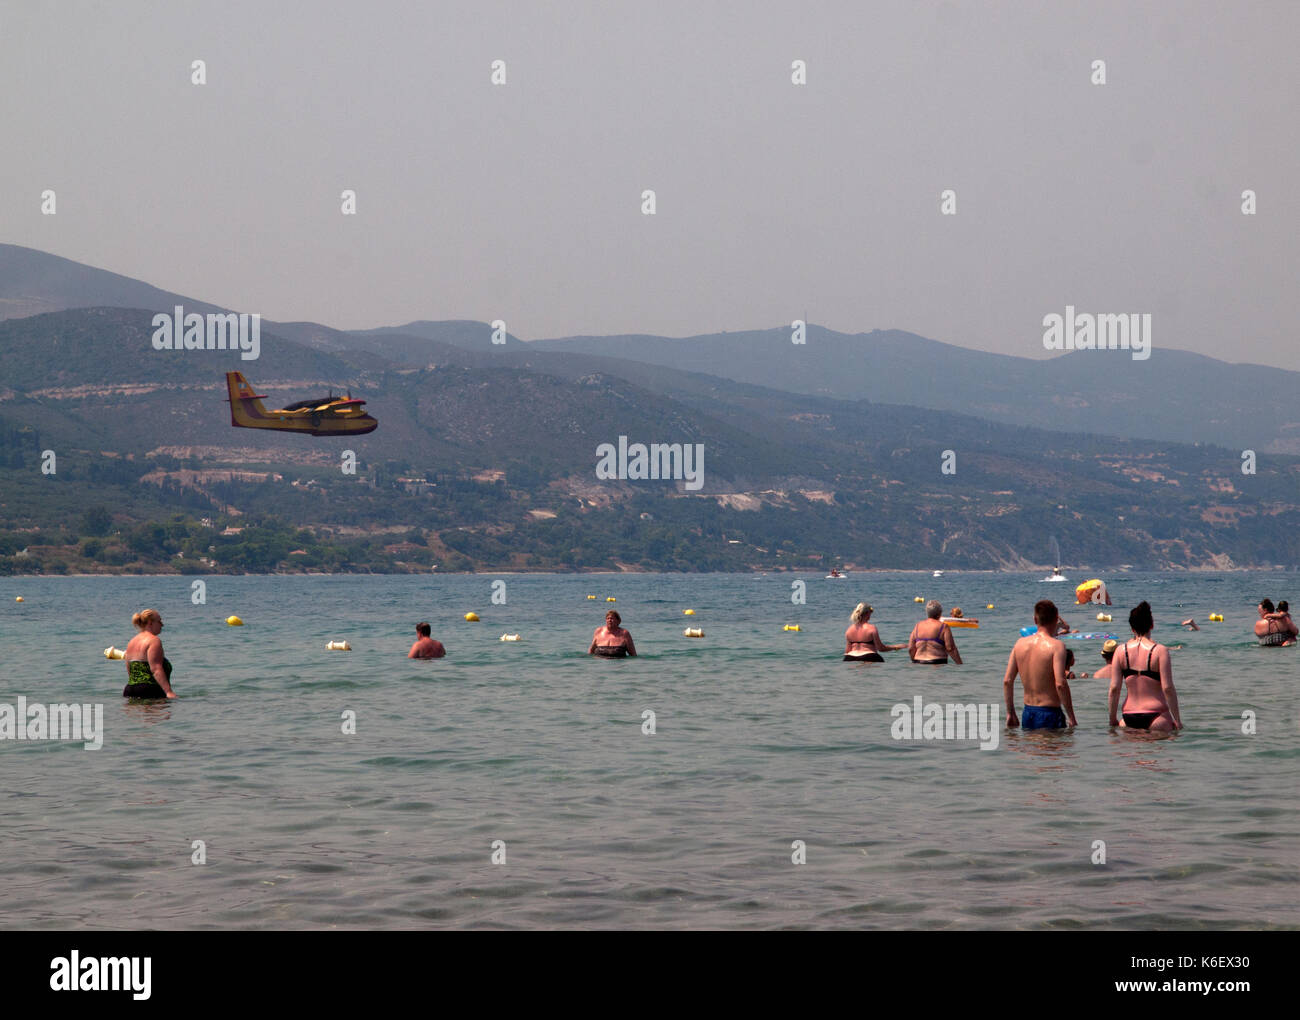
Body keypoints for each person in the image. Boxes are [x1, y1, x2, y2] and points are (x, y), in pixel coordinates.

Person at [1108, 601, 1182, 731]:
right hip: (1156, 716)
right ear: (1152, 625)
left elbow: (1114, 689)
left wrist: (1112, 719)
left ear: (1132, 628)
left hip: (1128, 718)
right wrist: (1177, 720)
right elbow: (1168, 688)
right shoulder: (1160, 651)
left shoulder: (1120, 651)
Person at [1003, 599, 1076, 730]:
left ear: (1035, 620)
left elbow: (1007, 681)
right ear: (1056, 619)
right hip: (1049, 713)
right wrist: (1071, 716)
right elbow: (1060, 684)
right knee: (1051, 750)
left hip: (1028, 712)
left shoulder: (1019, 644)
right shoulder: (1057, 646)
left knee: (1031, 750)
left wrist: (1010, 713)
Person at [123, 609, 176, 699]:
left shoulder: (131, 642)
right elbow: (156, 669)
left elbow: (130, 670)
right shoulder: (154, 641)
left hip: (130, 690)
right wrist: (169, 692)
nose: (162, 625)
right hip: (150, 691)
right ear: (150, 623)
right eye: (159, 621)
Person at [908, 600, 962, 664]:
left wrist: (914, 661)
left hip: (918, 662)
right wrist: (960, 664)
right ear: (940, 613)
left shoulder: (917, 626)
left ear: (927, 612)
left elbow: (911, 648)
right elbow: (950, 648)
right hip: (937, 663)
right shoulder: (943, 627)